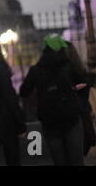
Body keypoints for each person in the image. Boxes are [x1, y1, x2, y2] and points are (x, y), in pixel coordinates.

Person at [20, 35, 85, 166]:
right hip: (70, 118)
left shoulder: (36, 70)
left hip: (50, 122)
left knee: (59, 161)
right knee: (76, 160)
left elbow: (24, 91)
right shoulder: (68, 66)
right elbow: (82, 83)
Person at [0, 39, 26, 166]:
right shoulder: (0, 69)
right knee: (13, 159)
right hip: (6, 121)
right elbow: (10, 98)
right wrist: (20, 123)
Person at [65, 41, 96, 156]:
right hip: (81, 111)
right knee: (84, 143)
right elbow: (83, 84)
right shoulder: (78, 69)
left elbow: (82, 84)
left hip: (73, 112)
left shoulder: (70, 70)